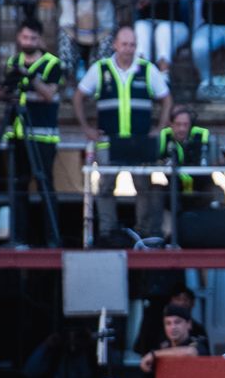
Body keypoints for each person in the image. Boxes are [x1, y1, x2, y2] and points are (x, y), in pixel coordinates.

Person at [73, 25, 174, 240]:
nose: (128, 49)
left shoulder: (147, 69)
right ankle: (108, 232)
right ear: (115, 45)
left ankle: (142, 232)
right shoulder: (100, 69)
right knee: (105, 187)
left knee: (143, 187)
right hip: (109, 140)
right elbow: (78, 97)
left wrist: (159, 128)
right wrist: (86, 128)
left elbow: (166, 99)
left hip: (139, 140)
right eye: (125, 44)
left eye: (133, 45)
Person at [0, 20, 63, 246]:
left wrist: (31, 77)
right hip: (16, 134)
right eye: (25, 38)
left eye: (33, 38)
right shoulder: (13, 62)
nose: (28, 42)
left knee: (44, 186)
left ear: (40, 39)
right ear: (18, 38)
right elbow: (9, 92)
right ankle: (19, 238)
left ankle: (52, 238)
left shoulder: (52, 63)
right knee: (17, 186)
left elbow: (50, 94)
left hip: (42, 134)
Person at [133, 303, 208, 378]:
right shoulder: (163, 348)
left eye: (177, 322)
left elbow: (190, 353)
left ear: (189, 324)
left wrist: (154, 354)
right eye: (168, 323)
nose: (173, 327)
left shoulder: (198, 343)